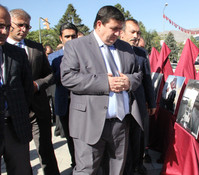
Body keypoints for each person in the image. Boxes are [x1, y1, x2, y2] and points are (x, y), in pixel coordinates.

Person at [60, 6, 142, 175]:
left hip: (120, 124)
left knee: (116, 170)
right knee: (86, 171)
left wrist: (129, 81)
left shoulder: (125, 48)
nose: (118, 33)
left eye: (120, 29)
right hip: (88, 123)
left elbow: (138, 74)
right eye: (114, 29)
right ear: (99, 24)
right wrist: (105, 83)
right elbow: (68, 77)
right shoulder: (76, 46)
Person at [7, 8, 60, 175]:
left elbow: (50, 75)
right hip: (12, 113)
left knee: (45, 149)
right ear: (10, 24)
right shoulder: (3, 49)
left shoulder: (36, 48)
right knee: (19, 156)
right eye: (20, 25)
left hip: (38, 108)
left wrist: (37, 85)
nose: (24, 29)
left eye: (27, 26)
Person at [0, 5, 33, 175]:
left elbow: (27, 89)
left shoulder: (17, 54)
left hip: (15, 127)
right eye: (0, 26)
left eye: (7, 26)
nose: (5, 31)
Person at [120, 18, 156, 174]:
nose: (136, 35)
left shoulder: (141, 53)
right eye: (132, 32)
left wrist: (152, 102)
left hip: (139, 102)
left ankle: (138, 165)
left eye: (138, 33)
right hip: (120, 103)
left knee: (138, 136)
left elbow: (147, 79)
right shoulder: (113, 50)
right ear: (121, 33)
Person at [49, 22, 78, 169]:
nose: (71, 39)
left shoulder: (86, 54)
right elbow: (49, 78)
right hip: (64, 104)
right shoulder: (53, 58)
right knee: (70, 138)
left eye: (74, 36)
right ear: (61, 38)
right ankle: (75, 164)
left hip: (83, 104)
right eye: (67, 36)